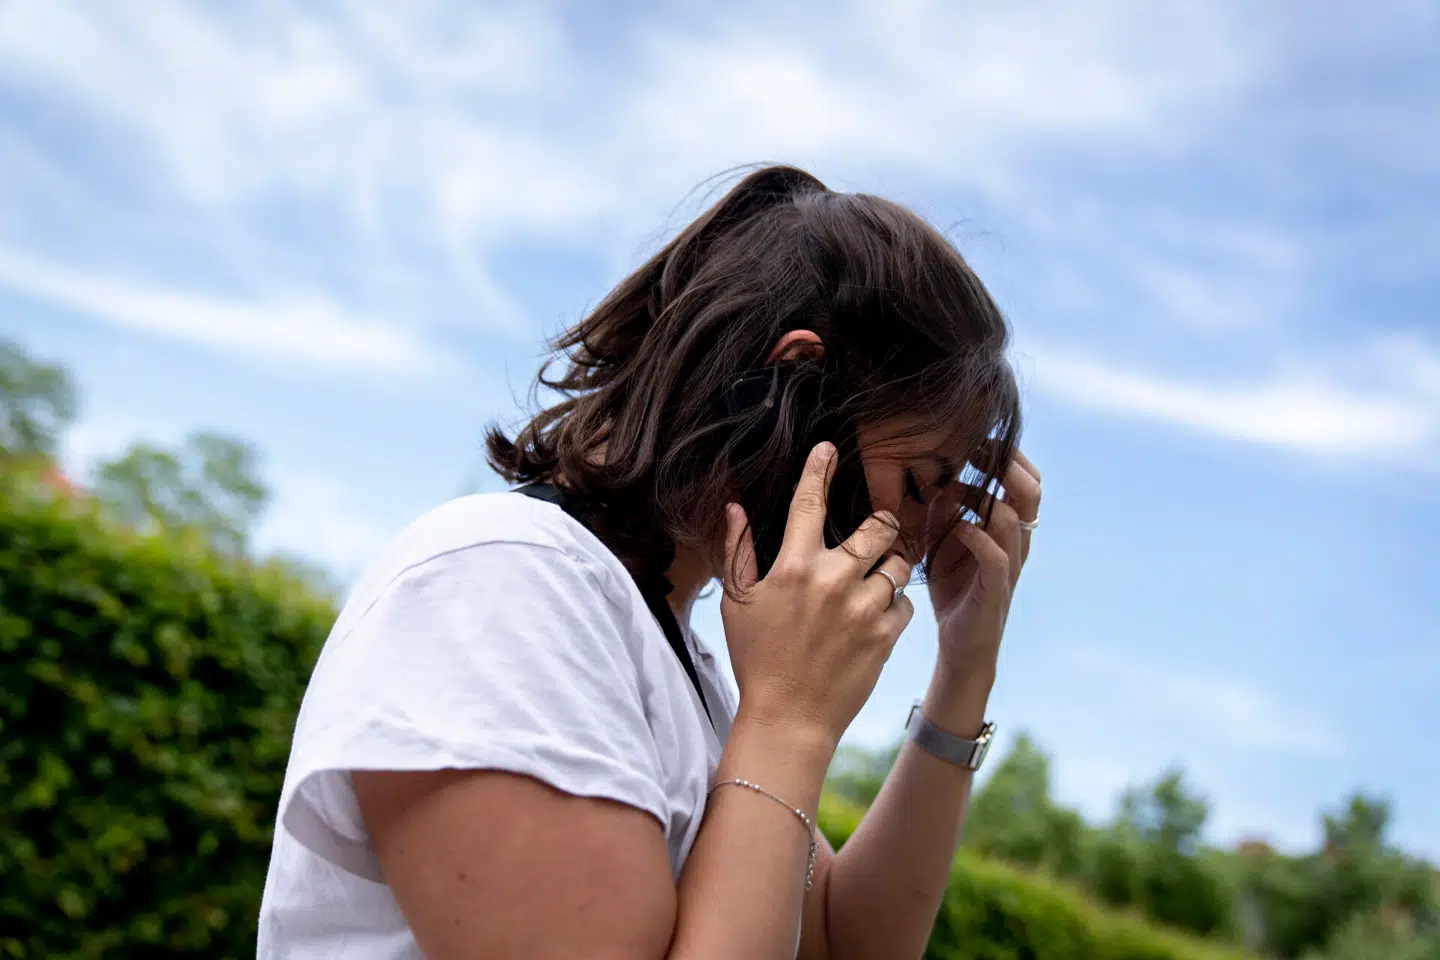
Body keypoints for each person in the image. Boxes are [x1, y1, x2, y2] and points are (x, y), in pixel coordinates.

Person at [257, 165, 1042, 959]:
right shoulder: (504, 587)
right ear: (790, 379)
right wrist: (787, 723)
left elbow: (843, 943)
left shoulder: (675, 656)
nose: (914, 539)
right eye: (918, 483)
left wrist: (964, 668)